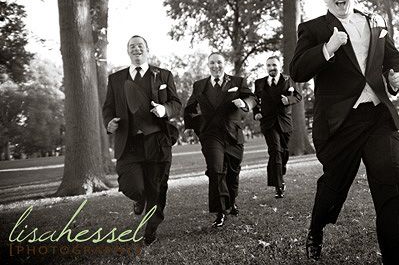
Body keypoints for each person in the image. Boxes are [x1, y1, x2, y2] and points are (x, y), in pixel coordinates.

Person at [290, 0, 399, 264]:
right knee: (334, 187)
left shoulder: (375, 22)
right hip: (339, 123)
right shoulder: (313, 29)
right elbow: (297, 70)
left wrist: (394, 74)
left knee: (394, 188)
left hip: (378, 117)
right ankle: (316, 228)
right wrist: (327, 48)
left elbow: (393, 57)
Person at [102, 35, 181, 245]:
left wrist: (164, 109)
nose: (136, 49)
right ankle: (139, 198)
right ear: (127, 51)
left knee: (157, 188)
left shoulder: (163, 75)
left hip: (157, 140)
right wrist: (109, 122)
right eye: (132, 46)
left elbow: (176, 103)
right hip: (128, 143)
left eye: (140, 45)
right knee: (132, 186)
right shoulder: (116, 79)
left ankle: (151, 229)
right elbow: (108, 107)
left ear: (147, 49)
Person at [183, 52, 256, 228]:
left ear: (225, 63)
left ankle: (231, 201)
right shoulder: (199, 85)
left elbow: (252, 98)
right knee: (216, 170)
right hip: (211, 135)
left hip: (233, 134)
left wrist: (245, 104)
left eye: (219, 62)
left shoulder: (238, 82)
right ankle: (220, 211)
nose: (216, 66)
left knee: (232, 172)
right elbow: (189, 108)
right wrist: (194, 125)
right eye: (212, 63)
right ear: (208, 65)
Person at [253, 55, 302, 198]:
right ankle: (278, 186)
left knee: (284, 152)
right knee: (275, 151)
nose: (271, 68)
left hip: (284, 122)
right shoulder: (259, 83)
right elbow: (255, 101)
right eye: (269, 65)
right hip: (268, 122)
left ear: (279, 66)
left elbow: (298, 96)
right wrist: (256, 113)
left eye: (274, 65)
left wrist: (289, 100)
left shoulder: (288, 80)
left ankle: (280, 174)